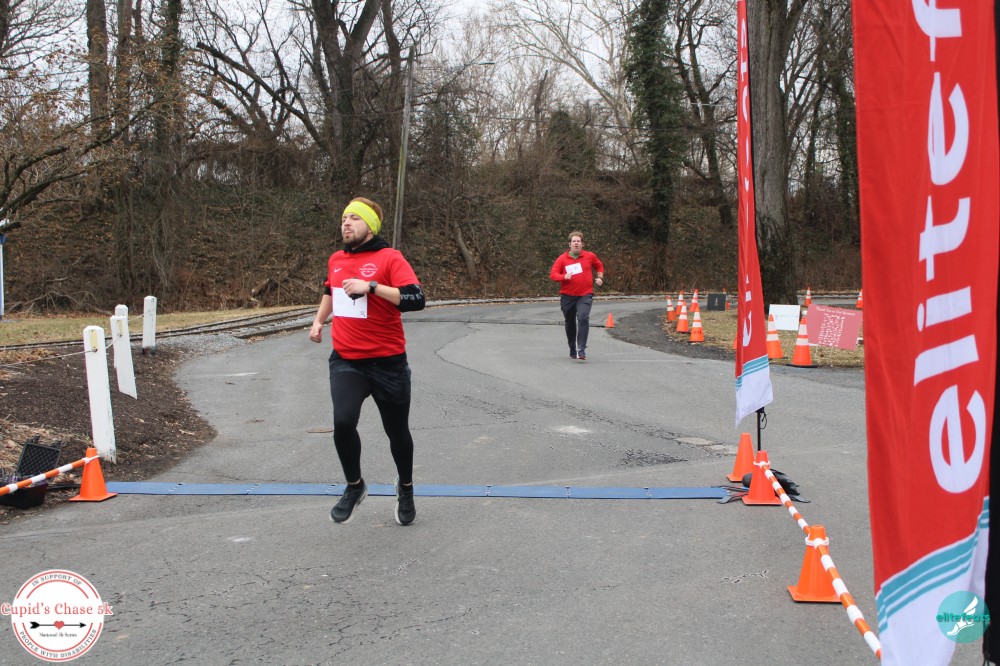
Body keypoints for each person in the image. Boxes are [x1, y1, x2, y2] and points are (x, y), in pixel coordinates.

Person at [309, 197, 425, 525]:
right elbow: (330, 291)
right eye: (344, 217)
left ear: (370, 227)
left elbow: (416, 299)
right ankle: (354, 486)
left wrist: (372, 287)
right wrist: (319, 321)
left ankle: (406, 488)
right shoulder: (336, 259)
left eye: (355, 218)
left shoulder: (390, 258)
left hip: (389, 362)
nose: (346, 223)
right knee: (343, 422)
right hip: (348, 360)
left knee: (397, 432)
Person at [549, 231, 604, 360]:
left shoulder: (589, 256)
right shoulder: (562, 259)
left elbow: (599, 266)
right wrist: (564, 276)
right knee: (570, 322)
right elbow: (553, 274)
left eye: (578, 241)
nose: (576, 243)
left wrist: (600, 278)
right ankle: (572, 347)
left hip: (585, 295)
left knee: (583, 318)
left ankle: (581, 348)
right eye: (574, 241)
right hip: (567, 296)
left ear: (582, 244)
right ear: (569, 244)